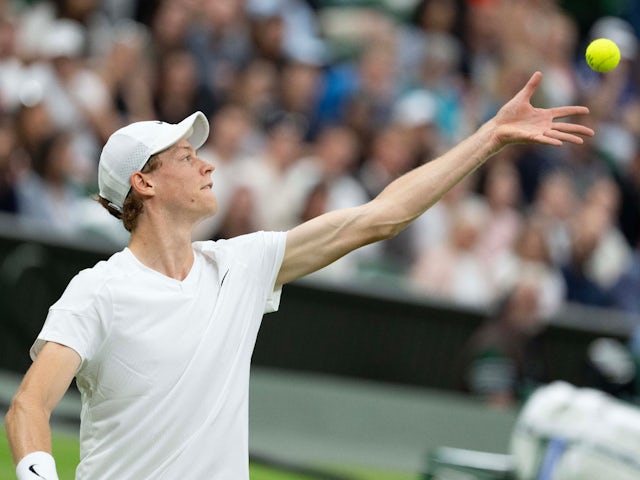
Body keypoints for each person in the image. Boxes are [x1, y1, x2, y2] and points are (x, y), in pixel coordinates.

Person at [5, 71, 593, 480]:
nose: (205, 163)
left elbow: (379, 217)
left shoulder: (240, 264)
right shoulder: (99, 290)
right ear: (144, 182)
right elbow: (29, 407)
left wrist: (489, 137)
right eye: (185, 157)